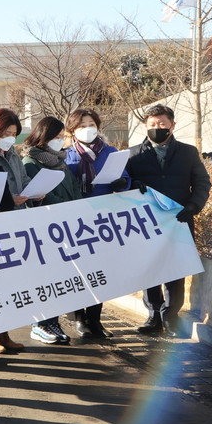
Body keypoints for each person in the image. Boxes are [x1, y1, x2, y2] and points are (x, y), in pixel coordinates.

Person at [126, 104, 211, 338]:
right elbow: (123, 184)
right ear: (145, 127)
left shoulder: (188, 152)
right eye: (152, 125)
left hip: (179, 221)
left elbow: (202, 182)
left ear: (172, 125)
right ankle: (153, 316)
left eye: (162, 124)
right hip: (146, 224)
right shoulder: (133, 155)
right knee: (150, 268)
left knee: (176, 270)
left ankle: (171, 316)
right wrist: (131, 186)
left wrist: (193, 206)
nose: (157, 128)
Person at [65, 108, 129, 338]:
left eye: (91, 123)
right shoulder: (67, 155)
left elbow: (126, 181)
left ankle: (95, 318)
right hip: (74, 220)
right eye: (81, 125)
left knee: (101, 271)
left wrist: (122, 181)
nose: (87, 129)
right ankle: (79, 318)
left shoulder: (110, 152)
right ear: (72, 129)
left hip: (103, 218)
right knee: (79, 271)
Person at [0, 108, 43, 352]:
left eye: (14, 133)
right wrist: (11, 199)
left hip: (17, 224)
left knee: (11, 283)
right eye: (6, 132)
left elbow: (24, 183)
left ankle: (2, 333)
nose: (10, 137)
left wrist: (37, 191)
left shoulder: (13, 155)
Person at [22, 116, 83, 345]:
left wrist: (76, 207)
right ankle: (39, 324)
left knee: (59, 277)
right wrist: (63, 208)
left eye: (61, 137)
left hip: (66, 226)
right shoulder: (31, 161)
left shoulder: (61, 159)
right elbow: (40, 195)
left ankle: (52, 321)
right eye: (54, 137)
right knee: (43, 277)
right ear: (42, 136)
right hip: (44, 229)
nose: (59, 141)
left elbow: (74, 188)